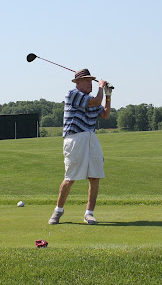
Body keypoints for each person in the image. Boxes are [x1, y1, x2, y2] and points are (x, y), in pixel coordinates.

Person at [48, 68, 112, 225]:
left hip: (91, 137)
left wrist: (108, 96)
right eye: (86, 81)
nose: (89, 83)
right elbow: (97, 101)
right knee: (70, 178)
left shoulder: (90, 97)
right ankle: (58, 211)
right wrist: (101, 88)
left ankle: (89, 213)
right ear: (77, 83)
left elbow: (105, 114)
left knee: (95, 176)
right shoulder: (73, 94)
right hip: (75, 138)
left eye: (91, 81)